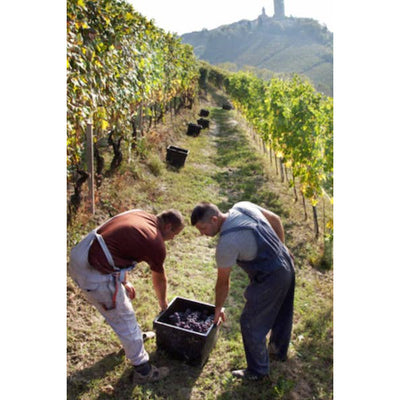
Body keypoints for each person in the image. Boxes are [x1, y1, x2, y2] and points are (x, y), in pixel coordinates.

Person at [68, 208, 185, 383]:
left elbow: (119, 245)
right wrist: (163, 304)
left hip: (82, 253)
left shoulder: (140, 214)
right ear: (168, 226)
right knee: (124, 318)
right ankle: (143, 371)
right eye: (175, 234)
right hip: (91, 271)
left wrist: (124, 281)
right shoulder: (155, 241)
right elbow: (159, 277)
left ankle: (135, 338)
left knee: (124, 308)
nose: (173, 238)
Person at [191, 201, 295, 381]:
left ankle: (258, 371)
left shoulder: (227, 243)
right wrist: (281, 248)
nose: (202, 234)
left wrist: (217, 310)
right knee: (282, 311)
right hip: (287, 263)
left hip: (271, 277)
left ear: (214, 219)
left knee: (250, 322)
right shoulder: (242, 206)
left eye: (203, 228)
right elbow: (275, 219)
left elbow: (223, 283)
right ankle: (278, 351)